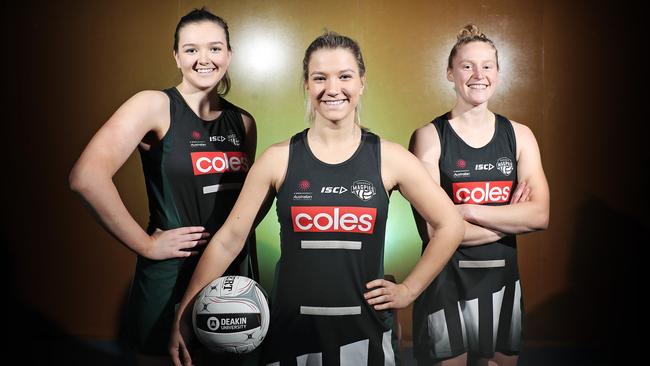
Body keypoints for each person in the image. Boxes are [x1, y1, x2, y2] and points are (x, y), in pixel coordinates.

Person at [169, 31, 465, 366]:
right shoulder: (278, 158)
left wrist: (409, 290)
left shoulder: (390, 158)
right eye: (320, 77)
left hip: (363, 334)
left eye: (345, 76)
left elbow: (451, 224)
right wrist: (185, 311)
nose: (333, 88)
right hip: (290, 333)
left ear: (362, 82)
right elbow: (229, 240)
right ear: (307, 86)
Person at [69, 8, 257, 365]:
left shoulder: (244, 122)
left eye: (215, 48)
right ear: (176, 56)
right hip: (171, 274)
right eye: (191, 49)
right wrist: (146, 245)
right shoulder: (154, 105)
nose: (204, 59)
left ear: (229, 55)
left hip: (230, 276)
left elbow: (240, 207)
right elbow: (86, 177)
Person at [409, 24, 550, 366]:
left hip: (503, 285)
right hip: (445, 285)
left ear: (498, 74)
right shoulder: (429, 137)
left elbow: (540, 216)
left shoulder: (520, 136)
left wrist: (467, 210)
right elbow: (433, 232)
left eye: (487, 66)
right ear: (449, 72)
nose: (478, 74)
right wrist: (511, 220)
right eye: (467, 66)